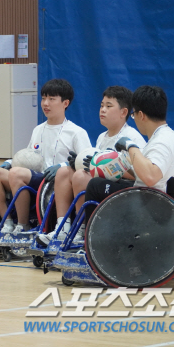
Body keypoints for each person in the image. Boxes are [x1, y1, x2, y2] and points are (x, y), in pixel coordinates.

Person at [36, 86, 146, 246]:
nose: (102, 110)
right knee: (64, 171)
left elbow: (139, 174)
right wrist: (78, 163)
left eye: (108, 106)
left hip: (125, 190)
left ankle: (80, 230)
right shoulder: (102, 137)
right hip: (102, 185)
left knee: (81, 176)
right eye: (102, 105)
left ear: (123, 113)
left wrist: (110, 168)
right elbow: (96, 168)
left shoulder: (132, 137)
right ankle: (62, 227)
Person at [0, 79, 91, 234]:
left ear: (65, 103)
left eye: (51, 99)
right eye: (43, 98)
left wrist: (62, 167)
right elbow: (29, 156)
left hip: (57, 183)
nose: (45, 103)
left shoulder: (77, 132)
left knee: (16, 173)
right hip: (37, 177)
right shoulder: (38, 130)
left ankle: (23, 225)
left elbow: (85, 164)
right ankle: (7, 222)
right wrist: (9, 162)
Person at [85, 85, 174, 204]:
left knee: (95, 185)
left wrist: (130, 146)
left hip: (156, 203)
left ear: (141, 115)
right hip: (158, 196)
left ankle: (89, 223)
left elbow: (150, 178)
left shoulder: (162, 141)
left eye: (133, 115)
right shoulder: (169, 136)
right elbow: (144, 172)